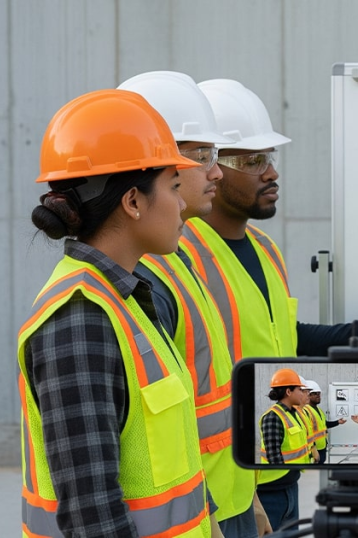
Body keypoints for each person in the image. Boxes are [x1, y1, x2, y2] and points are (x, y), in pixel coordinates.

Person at [186, 78, 358, 523]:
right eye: (252, 160)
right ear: (210, 166)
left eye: (270, 157)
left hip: (276, 480)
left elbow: (283, 340)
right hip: (225, 490)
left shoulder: (264, 248)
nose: (271, 172)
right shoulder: (180, 256)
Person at [18, 89, 214, 536]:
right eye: (174, 187)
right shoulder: (80, 319)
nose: (183, 204)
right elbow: (93, 514)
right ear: (133, 201)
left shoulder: (126, 296)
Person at [119, 70, 270, 538]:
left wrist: (250, 499)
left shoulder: (175, 258)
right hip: (199, 516)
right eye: (203, 154)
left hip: (227, 501)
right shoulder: (144, 278)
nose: (217, 171)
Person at [258, 369, 310, 531]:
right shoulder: (273, 417)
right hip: (272, 490)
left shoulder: (295, 414)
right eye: (300, 390)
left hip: (291, 484)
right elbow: (274, 456)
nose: (303, 394)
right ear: (288, 391)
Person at [300, 379, 345, 464]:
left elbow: (324, 424)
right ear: (308, 395)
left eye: (319, 393)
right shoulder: (306, 411)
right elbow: (307, 432)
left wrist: (337, 422)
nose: (318, 396)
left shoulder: (319, 410)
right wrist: (313, 449)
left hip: (322, 447)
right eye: (315, 394)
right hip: (314, 449)